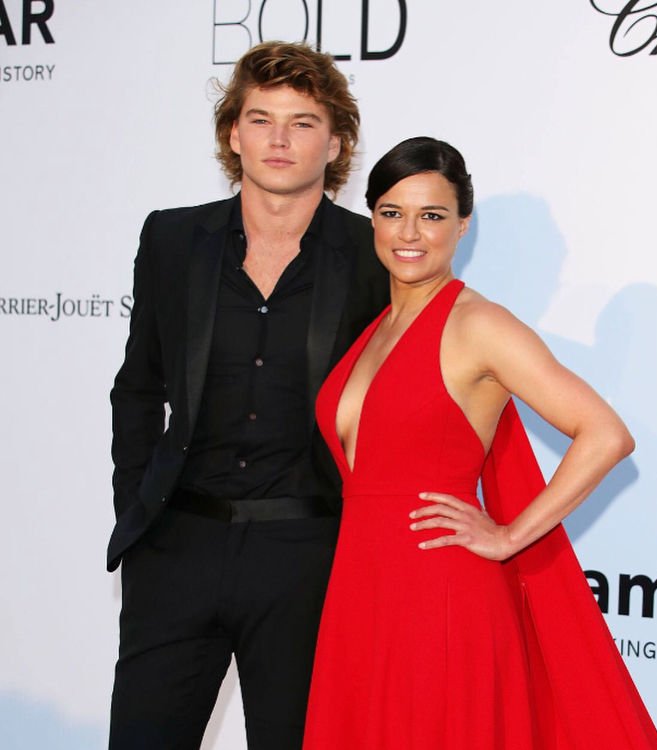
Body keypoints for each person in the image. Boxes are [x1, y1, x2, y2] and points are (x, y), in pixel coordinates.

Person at [302, 137, 657, 748]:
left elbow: (606, 434)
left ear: (463, 225)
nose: (409, 233)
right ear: (373, 220)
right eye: (392, 213)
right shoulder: (377, 328)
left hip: (438, 599)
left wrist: (509, 535)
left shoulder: (478, 325)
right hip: (360, 592)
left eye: (432, 215)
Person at [107, 42, 389, 750]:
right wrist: (139, 514)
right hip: (178, 547)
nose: (279, 140)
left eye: (302, 122)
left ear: (336, 142)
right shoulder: (173, 238)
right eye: (261, 120)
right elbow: (138, 386)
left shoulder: (372, 254)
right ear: (233, 134)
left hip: (309, 557)